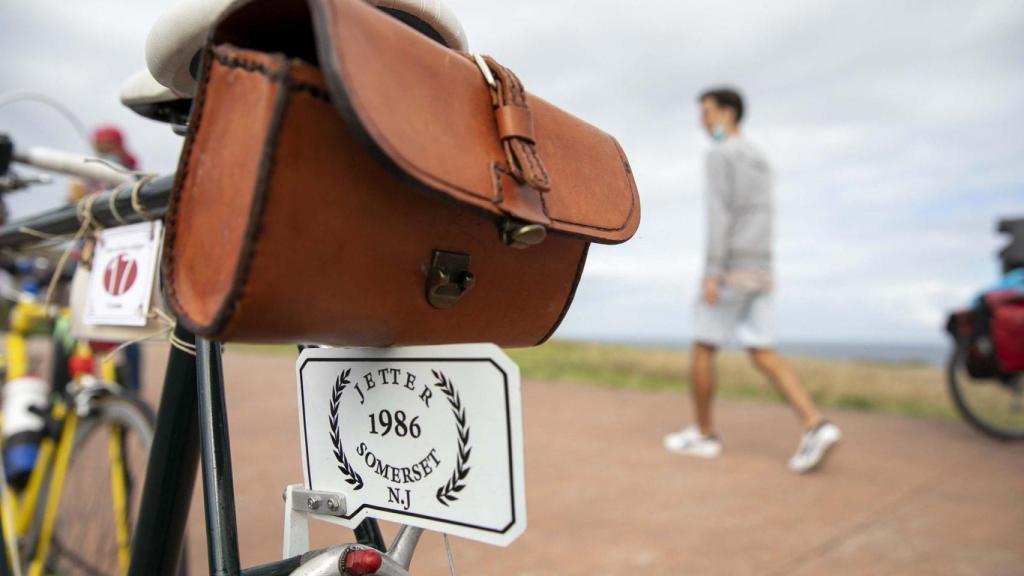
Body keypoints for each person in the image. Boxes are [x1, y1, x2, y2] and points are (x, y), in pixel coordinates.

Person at [663, 87, 841, 473]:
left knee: (702, 348)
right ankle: (815, 424)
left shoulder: (719, 155)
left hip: (732, 268)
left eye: (707, 112)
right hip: (762, 267)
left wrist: (713, 272)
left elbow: (719, 216)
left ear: (729, 113)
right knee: (762, 351)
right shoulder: (761, 157)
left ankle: (705, 434)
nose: (703, 120)